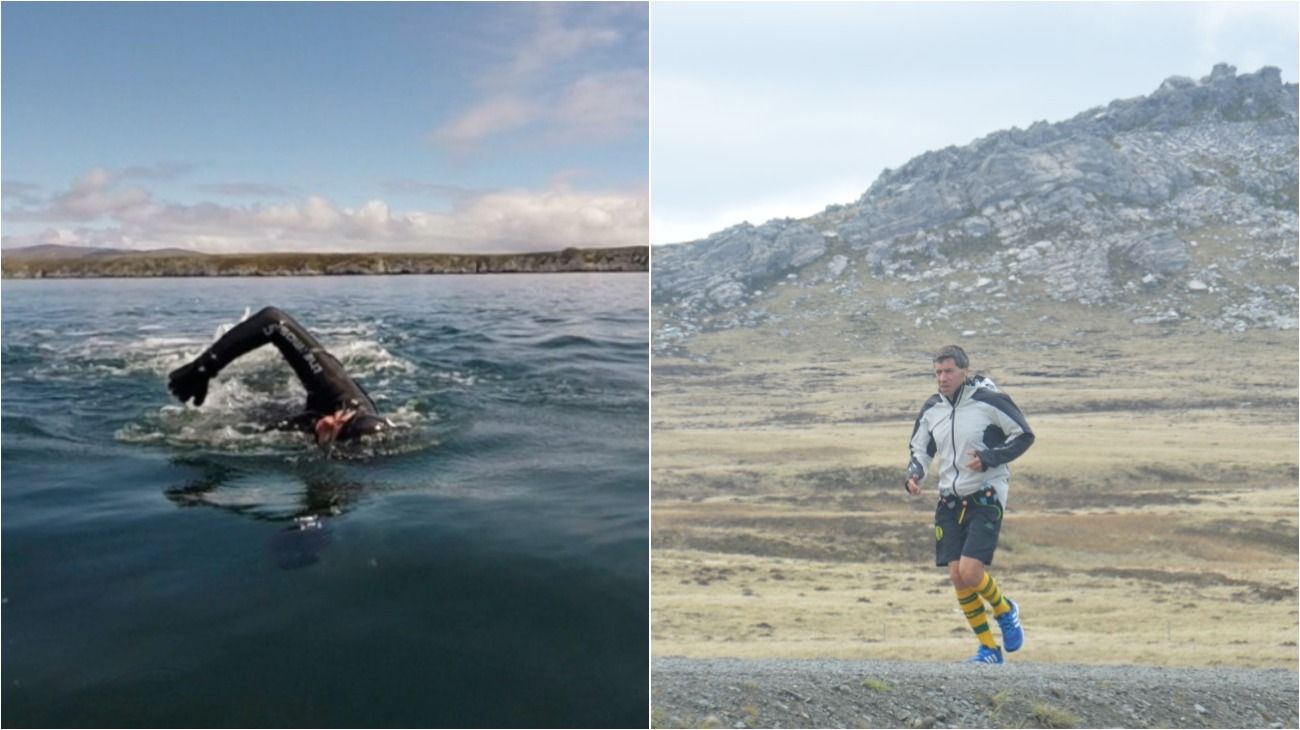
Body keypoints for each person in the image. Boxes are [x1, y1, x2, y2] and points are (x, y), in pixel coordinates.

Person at [905, 345, 1034, 664]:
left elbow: (1023, 435)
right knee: (957, 576)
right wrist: (915, 473)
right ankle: (989, 649)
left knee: (971, 571)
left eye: (948, 371)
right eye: (937, 372)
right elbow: (920, 448)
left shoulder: (988, 401)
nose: (942, 378)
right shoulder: (932, 408)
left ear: (964, 371)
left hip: (985, 495)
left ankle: (1006, 610)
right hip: (948, 498)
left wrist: (990, 458)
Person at [167, 306, 392, 446]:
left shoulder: (341, 452)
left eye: (334, 430)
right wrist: (204, 368)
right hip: (279, 399)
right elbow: (273, 321)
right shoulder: (337, 390)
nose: (328, 422)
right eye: (339, 419)